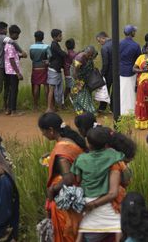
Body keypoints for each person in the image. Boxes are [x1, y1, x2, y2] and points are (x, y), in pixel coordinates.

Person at [71, 126, 127, 239]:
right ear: (106, 144)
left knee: (82, 231)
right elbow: (123, 157)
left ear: (89, 144)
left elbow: (77, 180)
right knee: (117, 225)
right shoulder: (114, 156)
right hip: (105, 200)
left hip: (87, 201)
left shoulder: (81, 159)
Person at [38, 112, 86, 242]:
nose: (43, 135)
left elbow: (68, 179)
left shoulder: (61, 150)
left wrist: (53, 189)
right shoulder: (70, 140)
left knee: (66, 234)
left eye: (43, 132)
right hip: (79, 194)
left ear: (51, 130)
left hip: (65, 200)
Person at [70, 46, 104, 115]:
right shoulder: (79, 58)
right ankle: (88, 111)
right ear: (87, 53)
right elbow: (74, 73)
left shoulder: (88, 57)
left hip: (84, 77)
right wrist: (78, 83)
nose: (91, 57)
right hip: (78, 77)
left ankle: (83, 109)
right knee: (80, 93)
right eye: (90, 55)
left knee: (85, 92)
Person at [119, 25, 141, 116]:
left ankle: (122, 111)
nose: (135, 33)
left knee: (122, 91)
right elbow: (139, 59)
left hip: (120, 70)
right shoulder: (135, 45)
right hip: (131, 71)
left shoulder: (119, 43)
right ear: (132, 33)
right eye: (134, 31)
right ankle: (131, 111)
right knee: (131, 91)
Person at [3, 25, 25, 116]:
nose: (18, 36)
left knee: (9, 90)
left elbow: (11, 57)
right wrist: (18, 73)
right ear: (12, 34)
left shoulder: (7, 44)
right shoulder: (11, 45)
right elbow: (12, 60)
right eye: (17, 34)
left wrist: (20, 56)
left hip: (8, 71)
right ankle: (13, 111)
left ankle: (8, 109)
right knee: (14, 90)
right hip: (13, 71)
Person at [30, 30, 50, 111]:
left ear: (35, 38)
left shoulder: (32, 47)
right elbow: (50, 56)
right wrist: (46, 60)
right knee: (46, 85)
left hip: (35, 68)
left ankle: (35, 105)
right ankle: (48, 105)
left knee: (36, 86)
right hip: (44, 68)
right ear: (43, 37)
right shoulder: (46, 46)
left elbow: (31, 57)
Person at [95, 31, 113, 112]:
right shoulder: (117, 43)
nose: (99, 43)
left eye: (99, 41)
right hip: (118, 71)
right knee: (115, 90)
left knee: (105, 89)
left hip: (108, 72)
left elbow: (105, 63)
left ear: (103, 38)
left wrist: (102, 74)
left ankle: (102, 108)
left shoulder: (104, 48)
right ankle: (113, 108)